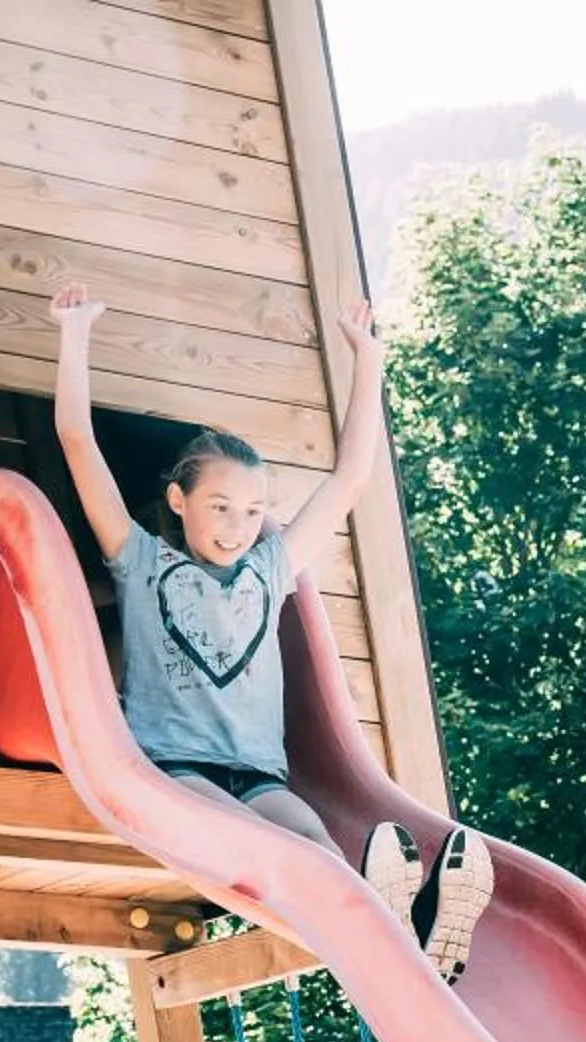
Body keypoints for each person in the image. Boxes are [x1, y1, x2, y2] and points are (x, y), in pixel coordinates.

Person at [49, 281, 494, 981]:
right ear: (178, 500)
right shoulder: (141, 561)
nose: (237, 527)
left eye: (252, 511)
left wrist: (369, 360)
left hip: (259, 772)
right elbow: (77, 443)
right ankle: (401, 926)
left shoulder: (272, 567)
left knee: (315, 844)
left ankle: (417, 935)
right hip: (174, 769)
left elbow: (350, 479)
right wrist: (74, 335)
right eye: (220, 507)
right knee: (263, 847)